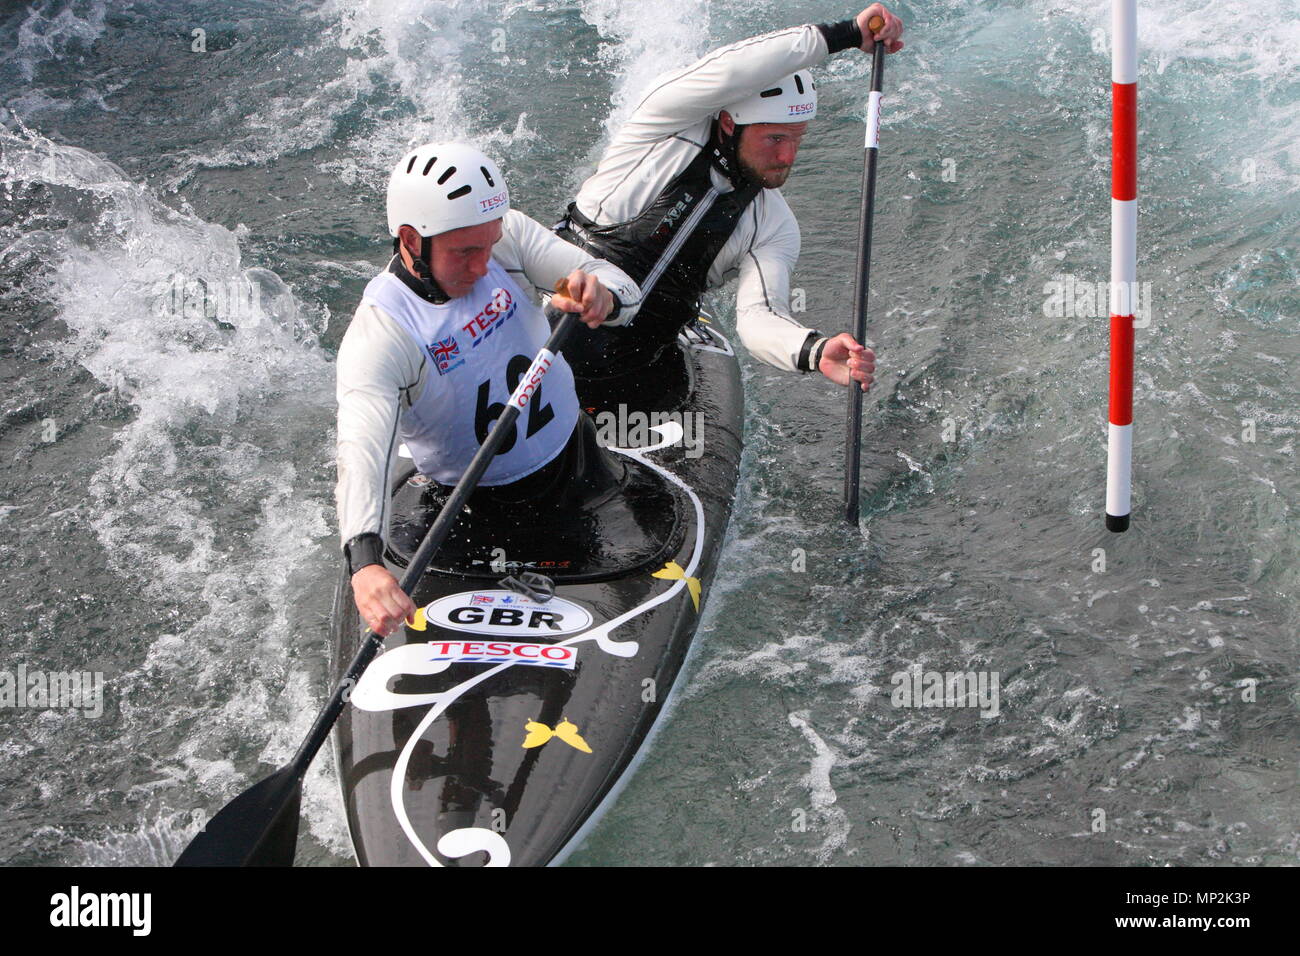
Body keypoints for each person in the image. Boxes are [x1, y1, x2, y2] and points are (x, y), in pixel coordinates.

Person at [337, 142, 641, 637]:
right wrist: (366, 562)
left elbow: (619, 284)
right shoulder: (382, 335)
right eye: (464, 252)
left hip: (579, 468)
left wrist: (599, 294)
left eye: (488, 243)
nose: (483, 265)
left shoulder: (508, 237)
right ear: (412, 241)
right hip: (473, 511)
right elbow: (362, 449)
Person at [554, 4, 904, 410]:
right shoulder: (662, 126)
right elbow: (733, 69)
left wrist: (813, 349)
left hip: (630, 369)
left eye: (798, 138)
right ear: (727, 123)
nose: (789, 156)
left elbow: (758, 317)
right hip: (549, 324)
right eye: (775, 139)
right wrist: (844, 34)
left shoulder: (772, 224)